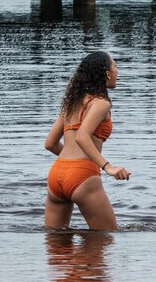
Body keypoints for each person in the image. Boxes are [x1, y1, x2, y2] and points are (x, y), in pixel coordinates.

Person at [44, 51, 131, 230]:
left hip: (57, 174)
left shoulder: (71, 102)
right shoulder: (101, 103)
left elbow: (50, 143)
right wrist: (108, 167)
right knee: (105, 238)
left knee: (57, 248)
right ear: (106, 72)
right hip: (82, 175)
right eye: (115, 65)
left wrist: (70, 164)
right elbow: (82, 136)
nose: (117, 71)